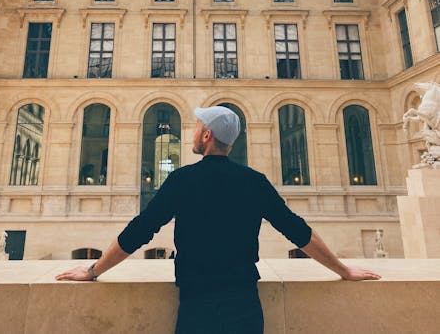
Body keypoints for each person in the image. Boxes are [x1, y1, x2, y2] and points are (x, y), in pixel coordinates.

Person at [56, 106, 381, 333]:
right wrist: (343, 270)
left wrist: (93, 270)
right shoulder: (254, 181)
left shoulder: (183, 180)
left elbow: (139, 231)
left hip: (197, 305)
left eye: (197, 127)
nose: (193, 133)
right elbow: (298, 230)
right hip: (244, 304)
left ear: (208, 135)